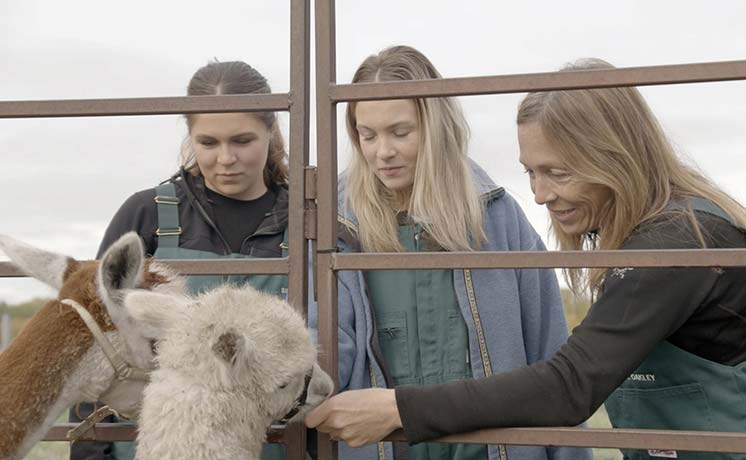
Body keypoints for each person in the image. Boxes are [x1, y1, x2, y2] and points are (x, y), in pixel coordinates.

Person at [306, 57, 746, 460]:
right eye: (530, 172)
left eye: (558, 172)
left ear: (614, 157)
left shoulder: (676, 244)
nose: (538, 194)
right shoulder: (663, 235)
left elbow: (569, 381)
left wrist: (400, 408)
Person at [307, 46, 590, 460]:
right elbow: (321, 348)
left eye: (400, 132)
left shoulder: (498, 216)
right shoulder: (337, 226)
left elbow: (549, 351)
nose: (382, 151)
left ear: (435, 125)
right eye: (367, 135)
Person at [70, 60, 290, 460]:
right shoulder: (145, 215)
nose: (226, 158)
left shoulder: (306, 222)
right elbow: (94, 342)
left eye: (242, 140)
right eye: (208, 143)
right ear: (190, 136)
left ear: (271, 130)